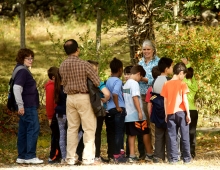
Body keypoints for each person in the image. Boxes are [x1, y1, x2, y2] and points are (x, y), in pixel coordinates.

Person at [59, 39, 100, 165]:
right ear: (78, 50)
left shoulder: (62, 65)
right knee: (89, 128)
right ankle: (87, 158)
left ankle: (70, 158)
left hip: (70, 98)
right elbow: (97, 82)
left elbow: (62, 83)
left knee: (72, 128)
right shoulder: (84, 64)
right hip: (83, 97)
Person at [14, 48, 43, 164]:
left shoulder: (19, 69)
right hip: (28, 106)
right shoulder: (23, 71)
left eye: (32, 58)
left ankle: (22, 156)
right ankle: (30, 155)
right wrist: (20, 105)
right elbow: (17, 88)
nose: (31, 60)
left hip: (26, 106)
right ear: (22, 58)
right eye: (28, 58)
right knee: (33, 129)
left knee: (23, 130)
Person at [161, 62, 191, 164]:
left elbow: (165, 101)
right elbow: (185, 100)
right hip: (181, 113)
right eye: (184, 75)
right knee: (185, 135)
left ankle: (173, 159)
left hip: (170, 113)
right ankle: (186, 158)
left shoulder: (166, 84)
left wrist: (166, 114)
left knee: (172, 137)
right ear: (181, 73)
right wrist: (188, 114)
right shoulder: (182, 84)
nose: (184, 77)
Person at [123, 65, 154, 163]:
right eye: (140, 77)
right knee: (145, 133)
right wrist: (140, 111)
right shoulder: (134, 83)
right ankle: (149, 154)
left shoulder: (126, 84)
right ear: (138, 74)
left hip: (128, 115)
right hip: (136, 114)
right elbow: (135, 97)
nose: (140, 80)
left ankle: (131, 155)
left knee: (131, 135)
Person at [146, 57, 173, 163]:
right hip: (166, 109)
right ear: (166, 69)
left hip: (157, 110)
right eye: (171, 66)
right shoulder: (168, 81)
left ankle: (158, 156)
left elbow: (153, 95)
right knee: (169, 133)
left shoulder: (155, 80)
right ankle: (171, 156)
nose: (172, 69)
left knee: (158, 134)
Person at [138, 40, 160, 152]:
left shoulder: (158, 62)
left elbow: (159, 79)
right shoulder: (140, 63)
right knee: (144, 123)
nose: (146, 52)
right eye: (144, 49)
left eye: (148, 49)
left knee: (154, 123)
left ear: (153, 50)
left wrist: (144, 79)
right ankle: (147, 151)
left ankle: (158, 150)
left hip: (154, 96)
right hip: (141, 96)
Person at [87, 60, 111, 163]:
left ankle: (86, 155)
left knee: (86, 132)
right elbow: (107, 94)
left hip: (86, 109)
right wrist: (105, 99)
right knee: (97, 133)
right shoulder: (98, 82)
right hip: (97, 109)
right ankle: (96, 156)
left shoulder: (83, 82)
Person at [105, 57, 127, 163]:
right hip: (118, 109)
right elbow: (114, 93)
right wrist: (118, 106)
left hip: (109, 109)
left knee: (112, 132)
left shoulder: (108, 80)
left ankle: (112, 153)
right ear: (120, 69)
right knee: (119, 132)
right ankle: (118, 155)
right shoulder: (118, 81)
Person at [182, 59, 198, 158]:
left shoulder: (183, 82)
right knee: (192, 132)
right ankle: (192, 152)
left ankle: (185, 152)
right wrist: (188, 64)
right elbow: (192, 76)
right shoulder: (194, 84)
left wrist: (185, 65)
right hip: (194, 111)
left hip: (184, 110)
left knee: (184, 132)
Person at [45, 67, 61, 163]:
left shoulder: (56, 86)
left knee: (58, 135)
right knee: (56, 136)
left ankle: (58, 154)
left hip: (58, 113)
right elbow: (49, 104)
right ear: (54, 77)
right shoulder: (51, 87)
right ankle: (54, 155)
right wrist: (50, 117)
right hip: (54, 114)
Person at [53, 67, 68, 164]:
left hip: (59, 113)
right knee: (77, 132)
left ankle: (64, 157)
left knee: (62, 135)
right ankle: (68, 155)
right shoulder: (67, 87)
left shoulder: (57, 86)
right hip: (67, 113)